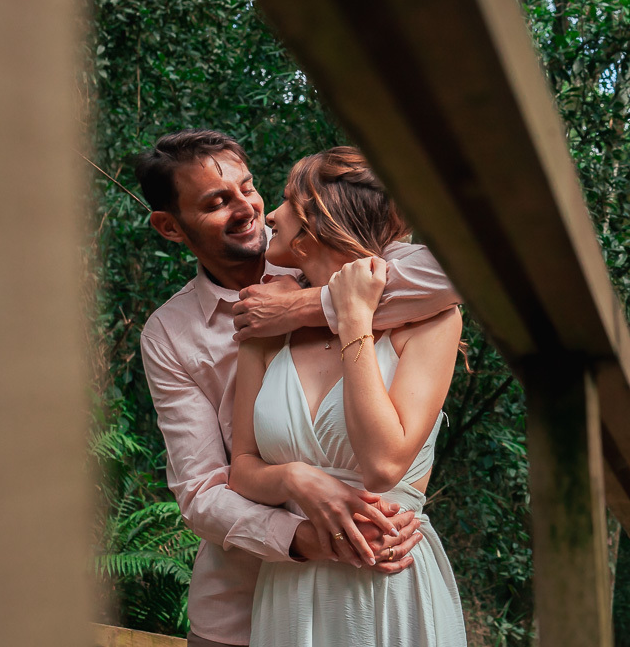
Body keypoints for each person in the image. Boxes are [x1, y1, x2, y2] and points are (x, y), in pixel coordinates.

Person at [134, 129, 461, 647]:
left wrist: (302, 307)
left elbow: (465, 272)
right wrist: (307, 528)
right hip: (245, 601)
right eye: (217, 202)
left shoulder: (336, 264)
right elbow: (200, 491)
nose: (251, 209)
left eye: (248, 188)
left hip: (384, 579)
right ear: (169, 226)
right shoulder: (171, 334)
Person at [229, 146, 467, 646]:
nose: (270, 215)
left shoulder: (433, 322)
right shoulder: (267, 326)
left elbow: (382, 465)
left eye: (289, 201)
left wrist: (354, 317)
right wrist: (295, 479)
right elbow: (242, 470)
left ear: (320, 221)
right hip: (293, 585)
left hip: (389, 582)